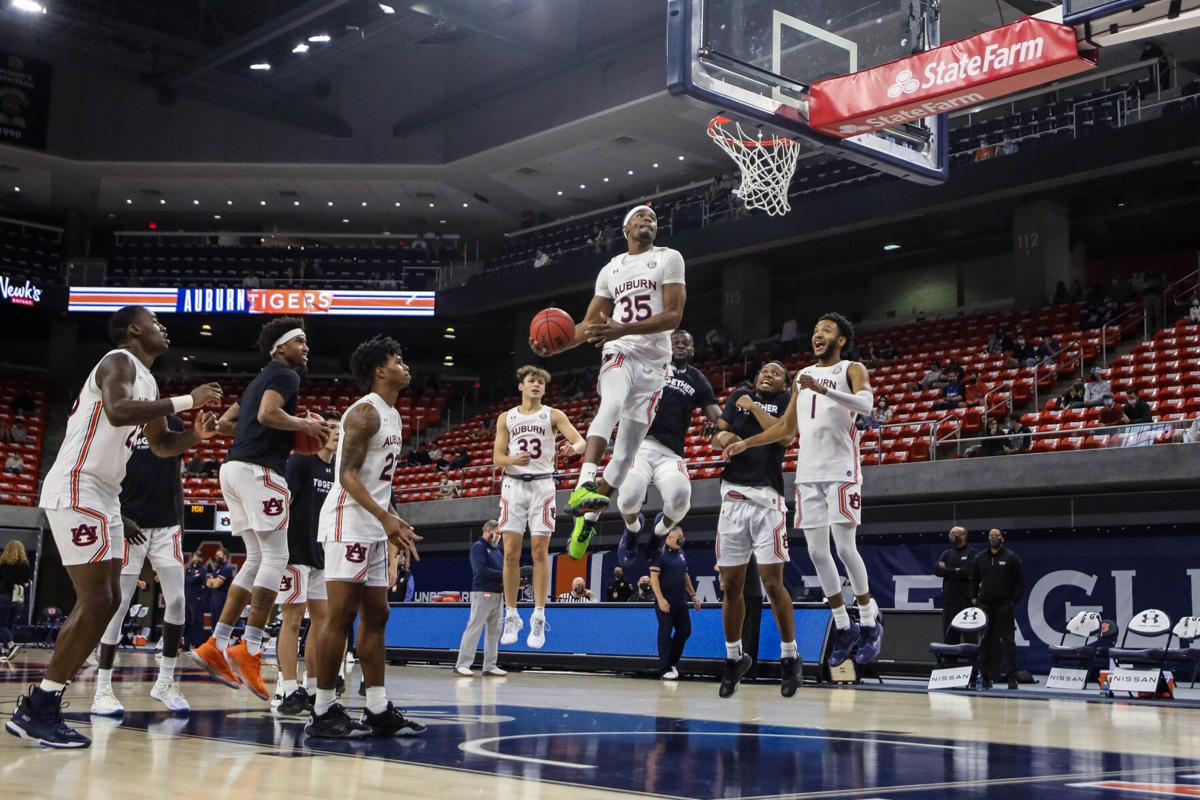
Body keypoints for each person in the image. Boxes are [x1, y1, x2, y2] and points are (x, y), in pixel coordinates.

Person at [10, 305, 220, 748]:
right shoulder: (117, 361)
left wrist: (195, 437)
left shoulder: (149, 380)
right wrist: (188, 401)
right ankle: (40, 705)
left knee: (106, 603)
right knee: (99, 597)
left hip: (107, 493)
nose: (162, 326)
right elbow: (119, 410)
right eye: (154, 320)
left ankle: (42, 703)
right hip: (78, 484)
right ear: (133, 330)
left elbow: (162, 446)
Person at [530, 206, 686, 561]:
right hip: (620, 350)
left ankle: (589, 517)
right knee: (611, 403)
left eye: (653, 220)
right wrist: (555, 348)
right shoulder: (611, 269)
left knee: (626, 456)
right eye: (641, 218)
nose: (648, 222)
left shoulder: (668, 258)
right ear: (626, 227)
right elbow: (589, 325)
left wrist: (622, 326)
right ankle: (584, 484)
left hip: (654, 361)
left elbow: (674, 316)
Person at [727, 314, 882, 672]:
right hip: (808, 473)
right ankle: (844, 625)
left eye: (825, 331)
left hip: (842, 468)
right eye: (815, 331)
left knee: (844, 547)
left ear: (841, 339)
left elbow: (866, 406)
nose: (817, 335)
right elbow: (786, 427)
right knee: (815, 551)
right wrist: (745, 443)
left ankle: (870, 620)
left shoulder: (851, 367)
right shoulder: (801, 376)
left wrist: (824, 389)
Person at [190, 317, 330, 703]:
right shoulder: (286, 376)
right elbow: (269, 415)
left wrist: (216, 427)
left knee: (254, 557)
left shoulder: (259, 379)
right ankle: (250, 648)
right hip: (258, 472)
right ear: (280, 348)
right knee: (276, 555)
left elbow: (233, 422)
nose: (306, 348)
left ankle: (215, 643)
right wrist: (303, 422)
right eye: (299, 342)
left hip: (232, 470)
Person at [308, 335, 424, 739]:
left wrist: (393, 519)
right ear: (380, 370)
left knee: (378, 614)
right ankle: (322, 710)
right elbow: (347, 476)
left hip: (372, 523)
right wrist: (384, 518)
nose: (405, 366)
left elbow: (376, 483)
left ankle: (376, 707)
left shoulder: (392, 413)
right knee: (339, 616)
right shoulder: (364, 413)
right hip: (348, 524)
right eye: (398, 359)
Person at [710, 361, 802, 698]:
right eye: (764, 370)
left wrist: (755, 409)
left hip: (767, 501)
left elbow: (784, 435)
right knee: (730, 586)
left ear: (784, 384)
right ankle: (734, 657)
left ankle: (790, 656)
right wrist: (725, 436)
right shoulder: (737, 396)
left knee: (771, 583)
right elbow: (716, 434)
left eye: (776, 373)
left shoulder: (787, 402)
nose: (768, 374)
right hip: (733, 500)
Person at [92, 415, 191, 716]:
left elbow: (177, 480)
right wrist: (120, 518)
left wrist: (180, 524)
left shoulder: (172, 423)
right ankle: (102, 689)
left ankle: (165, 681)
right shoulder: (120, 424)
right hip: (128, 524)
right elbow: (101, 480)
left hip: (166, 526)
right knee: (118, 605)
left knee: (177, 600)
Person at [495, 366, 586, 650]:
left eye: (540, 383)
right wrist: (512, 459)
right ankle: (511, 615)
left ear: (544, 389)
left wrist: (575, 449)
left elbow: (581, 441)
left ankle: (538, 615)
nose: (536, 385)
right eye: (531, 381)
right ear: (521, 386)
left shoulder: (553, 415)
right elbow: (498, 456)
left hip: (543, 485)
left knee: (539, 551)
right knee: (510, 552)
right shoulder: (506, 417)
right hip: (513, 485)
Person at [616, 330, 720, 568]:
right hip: (639, 445)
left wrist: (716, 424)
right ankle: (633, 529)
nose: (681, 346)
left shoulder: (697, 379)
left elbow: (715, 413)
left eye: (686, 343)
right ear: (666, 346)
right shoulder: (649, 367)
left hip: (670, 452)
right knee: (629, 498)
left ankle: (659, 534)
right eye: (676, 342)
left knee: (681, 500)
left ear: (693, 350)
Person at [273, 410, 340, 718]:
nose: (337, 432)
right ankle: (287, 689)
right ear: (317, 433)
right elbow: (283, 504)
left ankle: (312, 687)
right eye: (330, 427)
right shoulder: (300, 462)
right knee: (293, 618)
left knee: (322, 621)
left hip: (322, 554)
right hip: (293, 552)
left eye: (340, 428)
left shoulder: (339, 470)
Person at [971, 529, 1025, 690]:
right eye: (991, 536)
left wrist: (1011, 602)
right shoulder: (980, 558)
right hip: (984, 604)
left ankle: (1012, 677)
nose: (993, 538)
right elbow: (974, 579)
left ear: (1002, 539)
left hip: (1003, 604)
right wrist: (974, 599)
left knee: (1008, 641)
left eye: (996, 536)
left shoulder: (1011, 558)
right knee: (985, 641)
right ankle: (986, 676)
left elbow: (1020, 584)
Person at [454, 520, 506, 678]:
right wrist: (505, 575)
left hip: (498, 593)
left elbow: (503, 570)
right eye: (497, 532)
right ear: (488, 530)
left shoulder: (498, 550)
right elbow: (481, 570)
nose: (499, 536)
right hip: (483, 593)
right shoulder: (479, 547)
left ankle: (490, 666)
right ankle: (462, 664)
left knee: (494, 630)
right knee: (474, 627)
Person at [649, 527, 701, 680]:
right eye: (679, 537)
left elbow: (685, 576)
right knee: (665, 633)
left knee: (685, 630)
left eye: (682, 536)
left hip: (681, 601)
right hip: (666, 601)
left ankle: (672, 662)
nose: (682, 539)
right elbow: (654, 578)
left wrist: (693, 594)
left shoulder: (681, 554)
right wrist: (660, 599)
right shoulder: (659, 553)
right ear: (669, 538)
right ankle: (664, 669)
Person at [935, 528, 977, 644]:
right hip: (949, 602)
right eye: (951, 534)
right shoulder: (946, 554)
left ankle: (973, 662)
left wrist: (947, 570)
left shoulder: (972, 553)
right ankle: (949, 662)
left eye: (954, 534)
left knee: (970, 638)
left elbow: (968, 572)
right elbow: (938, 571)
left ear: (963, 535)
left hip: (966, 603)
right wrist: (955, 570)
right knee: (949, 638)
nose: (951, 536)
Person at [0, 540, 32, 662]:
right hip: (18, 598)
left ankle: (11, 645)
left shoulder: (2, 564)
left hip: (4, 596)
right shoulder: (25, 565)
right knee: (9, 626)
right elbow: (27, 582)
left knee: (1, 625)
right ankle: (4, 652)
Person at [183, 552, 207, 651]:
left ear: (201, 559)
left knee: (197, 622)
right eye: (195, 557)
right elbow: (187, 579)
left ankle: (197, 645)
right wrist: (193, 576)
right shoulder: (188, 568)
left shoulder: (203, 569)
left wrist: (192, 577)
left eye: (198, 557)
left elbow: (198, 579)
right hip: (187, 599)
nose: (196, 559)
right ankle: (186, 645)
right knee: (187, 622)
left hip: (197, 599)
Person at [205, 548, 234, 627]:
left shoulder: (227, 568)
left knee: (219, 620)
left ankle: (219, 638)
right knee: (213, 621)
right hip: (215, 596)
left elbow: (216, 584)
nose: (217, 557)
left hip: (222, 598)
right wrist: (213, 581)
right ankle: (214, 637)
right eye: (216, 555)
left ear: (225, 556)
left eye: (219, 555)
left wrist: (213, 581)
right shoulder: (218, 568)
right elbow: (208, 583)